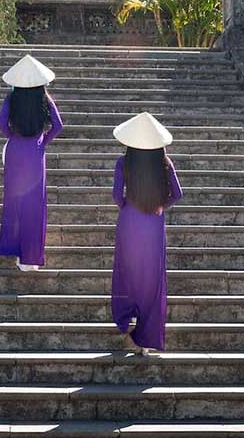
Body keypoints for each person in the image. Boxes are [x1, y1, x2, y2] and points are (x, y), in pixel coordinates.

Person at [110, 112, 183, 355]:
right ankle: (145, 337)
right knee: (151, 279)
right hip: (153, 223)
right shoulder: (165, 164)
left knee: (128, 272)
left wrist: (128, 207)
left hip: (129, 221)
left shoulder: (124, 162)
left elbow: (115, 195)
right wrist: (159, 206)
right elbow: (177, 194)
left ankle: (125, 317)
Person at [0, 55, 63, 271]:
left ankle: (14, 249)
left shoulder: (11, 99)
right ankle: (30, 257)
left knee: (15, 201)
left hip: (16, 151)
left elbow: (1, 124)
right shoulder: (44, 98)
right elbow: (58, 125)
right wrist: (43, 140)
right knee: (34, 204)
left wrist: (13, 137)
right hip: (35, 152)